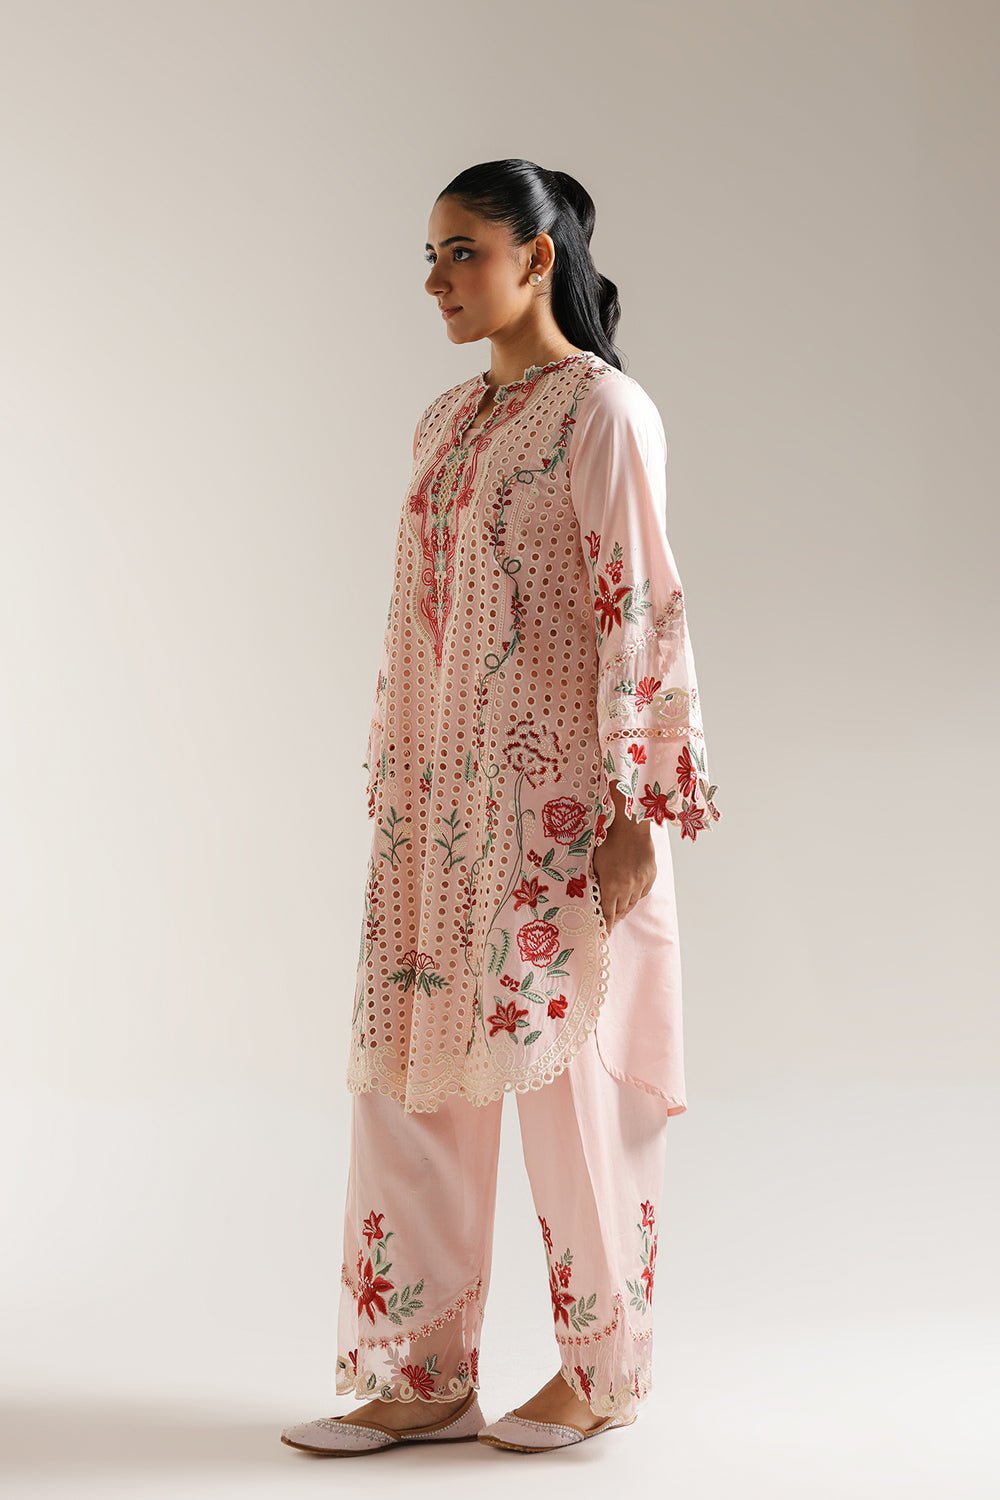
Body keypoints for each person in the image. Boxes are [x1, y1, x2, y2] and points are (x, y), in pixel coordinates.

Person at [281, 159, 722, 1458]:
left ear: (539, 257)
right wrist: (404, 787)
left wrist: (637, 807)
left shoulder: (605, 411)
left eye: (462, 251)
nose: (437, 280)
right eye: (429, 255)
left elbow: (642, 604)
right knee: (414, 1080)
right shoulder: (445, 421)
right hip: (439, 815)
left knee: (570, 1087)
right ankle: (421, 1374)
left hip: (560, 813)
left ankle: (601, 1370)